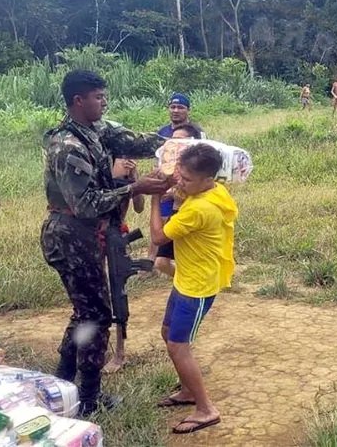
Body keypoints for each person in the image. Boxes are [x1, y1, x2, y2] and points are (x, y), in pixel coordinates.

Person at [40, 70, 172, 416]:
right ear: (77, 101)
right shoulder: (66, 145)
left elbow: (140, 142)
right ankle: (87, 398)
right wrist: (135, 188)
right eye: (97, 96)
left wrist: (182, 146)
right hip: (70, 235)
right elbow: (84, 205)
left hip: (88, 235)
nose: (104, 101)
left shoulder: (100, 129)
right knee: (96, 316)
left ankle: (62, 385)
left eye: (104, 95)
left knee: (87, 312)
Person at [149, 144, 236, 435]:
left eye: (186, 178)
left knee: (178, 345)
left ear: (206, 178)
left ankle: (206, 408)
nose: (180, 181)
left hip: (197, 287)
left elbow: (159, 235)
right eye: (179, 174)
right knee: (166, 332)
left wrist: (154, 200)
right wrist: (175, 190)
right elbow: (182, 194)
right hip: (186, 278)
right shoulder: (214, 191)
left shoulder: (200, 208)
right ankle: (187, 390)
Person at [103, 157, 145, 374]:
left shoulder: (127, 166)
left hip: (117, 233)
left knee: (118, 292)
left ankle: (120, 352)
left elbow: (139, 207)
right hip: (93, 234)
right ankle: (101, 347)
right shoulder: (96, 161)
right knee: (97, 293)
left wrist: (134, 180)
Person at [151, 123, 204, 280]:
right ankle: (187, 282)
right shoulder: (168, 164)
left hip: (193, 216)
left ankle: (191, 284)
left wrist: (172, 193)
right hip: (177, 212)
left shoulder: (201, 166)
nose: (176, 144)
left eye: (182, 140)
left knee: (188, 259)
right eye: (173, 140)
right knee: (161, 262)